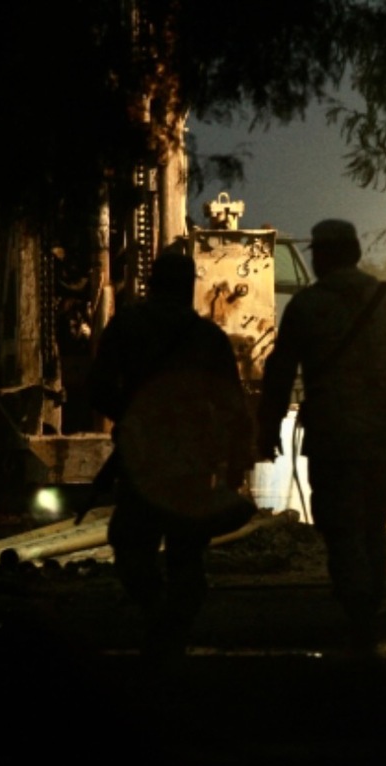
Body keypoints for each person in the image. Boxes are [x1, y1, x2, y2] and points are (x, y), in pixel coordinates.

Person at [256, 219, 386, 653]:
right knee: (372, 527)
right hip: (384, 439)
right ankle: (369, 609)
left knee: (341, 529)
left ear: (321, 256)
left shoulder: (306, 308)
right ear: (357, 253)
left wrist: (267, 429)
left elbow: (279, 373)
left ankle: (357, 612)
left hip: (332, 439)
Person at [89, 252, 253, 664]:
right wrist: (236, 465)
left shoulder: (126, 327)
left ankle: (157, 617)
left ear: (152, 284)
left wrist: (131, 415)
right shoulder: (207, 337)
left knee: (130, 545)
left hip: (142, 459)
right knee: (186, 553)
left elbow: (97, 387)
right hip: (192, 465)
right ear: (189, 288)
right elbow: (233, 406)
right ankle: (173, 630)